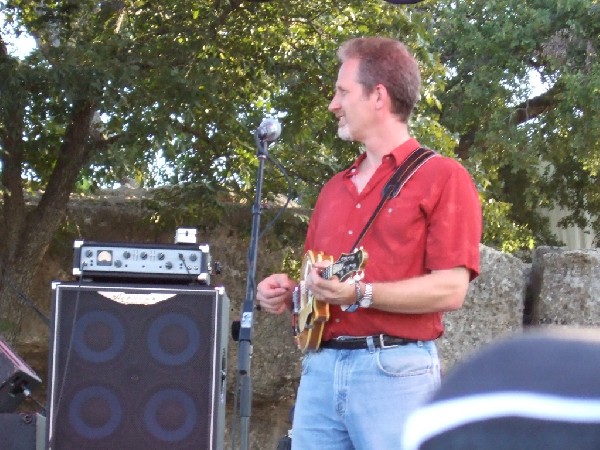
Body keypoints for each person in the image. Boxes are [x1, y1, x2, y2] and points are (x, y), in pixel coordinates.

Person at [256, 36, 482, 449]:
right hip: (321, 371)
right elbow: (322, 285)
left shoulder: (444, 177)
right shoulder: (332, 190)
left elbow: (451, 289)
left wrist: (359, 292)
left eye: (342, 91)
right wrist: (292, 293)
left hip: (394, 370)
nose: (333, 104)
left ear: (378, 96)